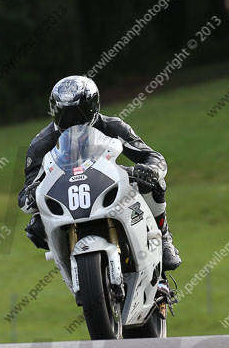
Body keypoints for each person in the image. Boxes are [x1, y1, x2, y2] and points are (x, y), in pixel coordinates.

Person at [17, 75, 181, 271]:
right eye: (65, 115)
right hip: (65, 193)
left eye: (80, 113)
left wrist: (151, 170)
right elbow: (26, 192)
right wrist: (31, 194)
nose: (72, 121)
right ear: (54, 111)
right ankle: (68, 262)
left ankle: (163, 239)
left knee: (154, 185)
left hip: (106, 180)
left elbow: (152, 156)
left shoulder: (112, 126)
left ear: (93, 108)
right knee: (35, 225)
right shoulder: (41, 144)